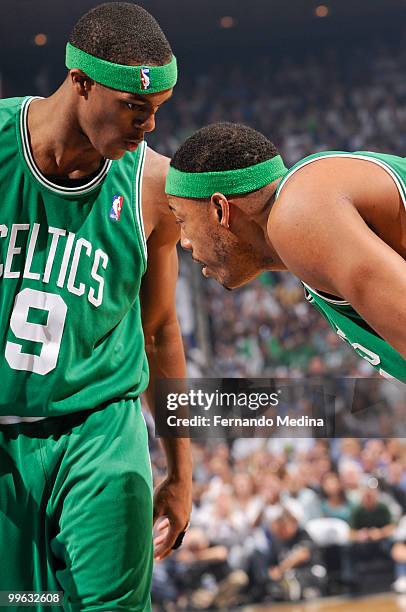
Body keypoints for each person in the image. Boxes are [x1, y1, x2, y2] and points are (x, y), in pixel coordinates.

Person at [0, 3, 192, 610]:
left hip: (99, 430)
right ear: (80, 81)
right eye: (134, 107)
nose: (147, 126)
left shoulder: (151, 187)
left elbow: (160, 329)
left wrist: (181, 469)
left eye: (156, 111)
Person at [165, 122, 406, 382]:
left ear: (220, 209)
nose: (184, 242)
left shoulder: (299, 214)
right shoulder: (304, 226)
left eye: (181, 221)